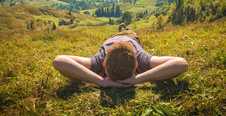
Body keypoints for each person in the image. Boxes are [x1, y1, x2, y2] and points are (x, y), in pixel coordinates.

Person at [53, 24, 188, 88]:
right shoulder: (143, 61)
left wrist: (102, 81)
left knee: (127, 30)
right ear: (136, 65)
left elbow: (59, 61)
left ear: (104, 64)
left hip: (130, 38)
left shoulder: (98, 62)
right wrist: (101, 81)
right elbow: (181, 63)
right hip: (114, 39)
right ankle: (123, 28)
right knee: (124, 30)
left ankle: (124, 28)